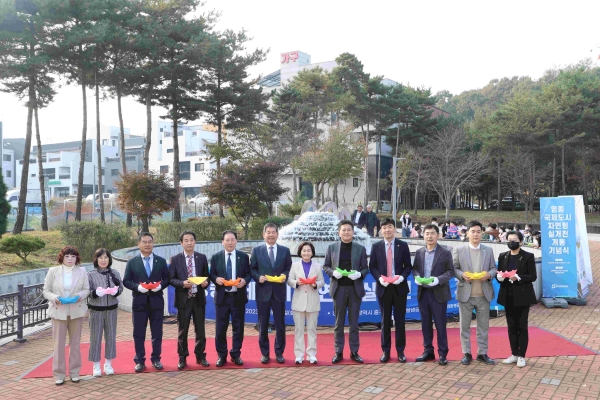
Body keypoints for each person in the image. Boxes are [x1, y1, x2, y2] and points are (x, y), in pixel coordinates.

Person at [323, 219, 369, 364]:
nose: (346, 232)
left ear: (353, 232)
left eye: (349, 229)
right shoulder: (332, 247)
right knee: (339, 322)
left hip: (355, 289)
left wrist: (360, 274)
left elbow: (365, 268)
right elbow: (325, 266)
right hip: (339, 288)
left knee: (354, 323)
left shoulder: (360, 249)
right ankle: (338, 351)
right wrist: (332, 273)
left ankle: (354, 351)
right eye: (344, 230)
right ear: (339, 232)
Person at [43, 246, 90, 385]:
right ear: (62, 257)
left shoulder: (82, 271)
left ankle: (75, 373)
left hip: (76, 311)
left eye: (73, 256)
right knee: (58, 344)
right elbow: (46, 291)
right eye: (67, 256)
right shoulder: (53, 271)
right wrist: (55, 297)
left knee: (75, 344)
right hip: (58, 311)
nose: (70, 259)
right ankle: (59, 374)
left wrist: (80, 295)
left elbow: (86, 289)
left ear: (77, 258)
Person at [123, 232, 169, 373]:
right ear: (139, 244)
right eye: (144, 242)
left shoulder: (161, 261)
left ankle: (156, 359)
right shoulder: (132, 262)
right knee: (138, 333)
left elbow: (167, 279)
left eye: (150, 242)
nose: (147, 244)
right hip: (139, 302)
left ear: (153, 243)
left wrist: (160, 286)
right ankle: (140, 360)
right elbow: (126, 281)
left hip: (156, 303)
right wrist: (138, 287)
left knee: (157, 333)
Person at [453, 221, 497, 365]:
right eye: (473, 231)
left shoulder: (488, 250)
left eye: (478, 231)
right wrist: (462, 275)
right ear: (467, 233)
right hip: (465, 294)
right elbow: (454, 268)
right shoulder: (459, 250)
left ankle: (482, 353)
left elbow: (493, 268)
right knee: (464, 326)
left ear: (482, 233)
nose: (476, 234)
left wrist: (489, 275)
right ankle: (466, 353)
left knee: (483, 326)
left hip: (483, 294)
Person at [368, 217, 412, 363]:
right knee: (385, 321)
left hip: (399, 288)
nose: (387, 230)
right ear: (381, 230)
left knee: (400, 321)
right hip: (383, 288)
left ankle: (401, 351)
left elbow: (408, 266)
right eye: (384, 227)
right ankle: (385, 351)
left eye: (390, 227)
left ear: (394, 228)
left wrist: (402, 277)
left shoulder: (403, 245)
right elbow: (372, 266)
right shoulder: (376, 246)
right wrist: (379, 278)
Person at [250, 223, 293, 364]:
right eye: (268, 232)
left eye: (273, 232)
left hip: (279, 292)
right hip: (263, 292)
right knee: (263, 324)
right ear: (264, 235)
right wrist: (258, 277)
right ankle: (265, 353)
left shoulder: (285, 251)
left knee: (280, 324)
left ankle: (279, 352)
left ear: (277, 234)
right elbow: (252, 269)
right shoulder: (257, 251)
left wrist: (284, 275)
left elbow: (288, 268)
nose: (271, 235)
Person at [412, 224, 454, 365]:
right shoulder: (419, 252)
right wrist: (417, 277)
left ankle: (442, 353)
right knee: (425, 324)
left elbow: (450, 272)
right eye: (427, 233)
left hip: (439, 293)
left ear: (438, 235)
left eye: (432, 233)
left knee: (440, 325)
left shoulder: (445, 252)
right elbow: (415, 269)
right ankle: (428, 351)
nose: (429, 236)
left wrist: (437, 280)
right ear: (423, 235)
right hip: (423, 293)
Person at [169, 230, 210, 369]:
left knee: (200, 330)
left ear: (195, 242)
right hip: (183, 299)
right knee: (183, 330)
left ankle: (200, 355)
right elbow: (171, 279)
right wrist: (182, 283)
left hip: (198, 299)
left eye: (191, 240)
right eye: (186, 240)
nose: (189, 243)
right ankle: (182, 357)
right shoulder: (175, 259)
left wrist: (206, 283)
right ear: (181, 243)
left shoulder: (202, 258)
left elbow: (206, 276)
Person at [210, 230, 251, 367]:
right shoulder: (216, 257)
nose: (230, 242)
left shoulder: (243, 257)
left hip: (238, 297)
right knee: (220, 328)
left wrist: (244, 281)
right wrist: (216, 279)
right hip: (222, 298)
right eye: (227, 240)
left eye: (232, 239)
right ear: (222, 242)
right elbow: (211, 274)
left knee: (238, 328)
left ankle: (236, 354)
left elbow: (248, 274)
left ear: (236, 241)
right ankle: (221, 355)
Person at [496, 230, 537, 368]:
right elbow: (500, 273)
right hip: (508, 295)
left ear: (520, 241)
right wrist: (500, 278)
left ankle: (521, 355)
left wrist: (518, 277)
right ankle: (513, 353)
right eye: (509, 239)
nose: (511, 242)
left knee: (522, 325)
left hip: (523, 296)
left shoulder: (528, 256)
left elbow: (532, 276)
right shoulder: (503, 256)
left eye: (514, 240)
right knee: (511, 326)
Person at [87, 248, 123, 377]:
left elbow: (121, 287)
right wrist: (95, 293)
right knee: (95, 337)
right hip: (96, 310)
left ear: (109, 259)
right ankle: (96, 364)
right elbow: (87, 292)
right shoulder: (90, 274)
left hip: (112, 309)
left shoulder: (115, 273)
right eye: (100, 257)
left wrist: (116, 291)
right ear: (96, 259)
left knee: (111, 337)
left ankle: (108, 363)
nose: (103, 260)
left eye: (106, 257)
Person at [287, 242, 325, 364]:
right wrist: (296, 283)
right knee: (298, 330)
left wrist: (316, 285)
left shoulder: (318, 266)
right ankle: (299, 355)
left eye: (308, 250)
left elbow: (322, 281)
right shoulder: (294, 265)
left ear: (312, 252)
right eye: (304, 250)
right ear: (300, 252)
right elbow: (289, 280)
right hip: (298, 301)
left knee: (312, 329)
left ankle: (311, 354)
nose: (306, 253)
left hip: (313, 301)